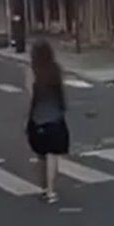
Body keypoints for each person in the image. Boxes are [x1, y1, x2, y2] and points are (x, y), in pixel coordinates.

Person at [25, 40, 69, 204]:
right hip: (56, 117)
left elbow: (30, 94)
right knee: (53, 155)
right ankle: (51, 190)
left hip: (37, 118)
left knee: (41, 155)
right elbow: (61, 91)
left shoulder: (31, 70)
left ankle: (43, 187)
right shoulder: (56, 69)